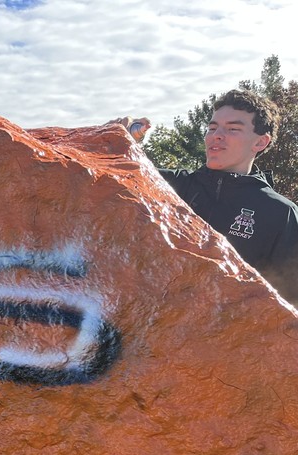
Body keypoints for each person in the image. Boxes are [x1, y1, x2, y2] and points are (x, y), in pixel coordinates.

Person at [124, 89, 298, 301]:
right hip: (148, 315)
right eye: (212, 128)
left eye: (233, 129)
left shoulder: (280, 213)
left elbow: (290, 300)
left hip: (231, 322)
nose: (216, 135)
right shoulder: (169, 184)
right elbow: (112, 172)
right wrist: (121, 139)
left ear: (260, 142)